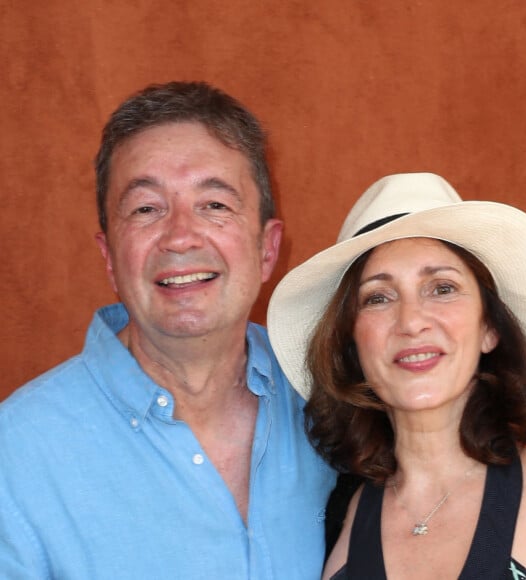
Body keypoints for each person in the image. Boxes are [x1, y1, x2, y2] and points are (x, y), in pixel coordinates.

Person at [0, 81, 336, 579]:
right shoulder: (14, 456)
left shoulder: (337, 404)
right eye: (146, 209)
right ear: (110, 258)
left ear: (268, 249)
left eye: (215, 205)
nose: (180, 236)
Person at [267, 172, 526, 579]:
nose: (411, 322)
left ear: (490, 328)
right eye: (379, 297)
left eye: (442, 288)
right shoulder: (328, 522)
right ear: (352, 345)